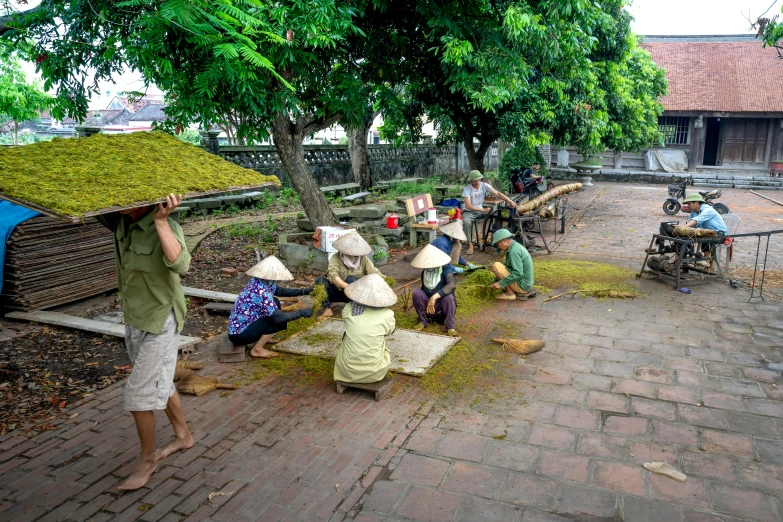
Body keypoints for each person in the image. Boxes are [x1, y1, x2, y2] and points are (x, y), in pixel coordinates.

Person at [97, 194, 194, 491]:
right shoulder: (121, 220)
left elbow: (181, 264)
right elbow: (88, 205)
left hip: (162, 319)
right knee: (159, 383)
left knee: (139, 394)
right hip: (135, 317)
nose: (117, 195)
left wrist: (162, 220)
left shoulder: (164, 224)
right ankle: (183, 436)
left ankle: (147, 460)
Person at [227, 256, 313, 359]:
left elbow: (280, 291)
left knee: (275, 302)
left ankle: (263, 337)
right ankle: (257, 349)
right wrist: (302, 313)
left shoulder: (260, 281)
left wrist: (305, 291)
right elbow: (280, 318)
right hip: (239, 335)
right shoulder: (260, 291)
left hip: (242, 326)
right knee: (277, 320)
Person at [334, 274, 397, 384]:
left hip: (347, 371)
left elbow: (348, 324)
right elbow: (391, 331)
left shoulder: (348, 310)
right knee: (380, 340)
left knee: (347, 335)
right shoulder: (387, 315)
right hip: (375, 372)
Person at [314, 231, 384, 316]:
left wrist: (386, 283)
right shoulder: (335, 258)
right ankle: (327, 309)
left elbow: (375, 274)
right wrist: (348, 287)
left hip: (355, 295)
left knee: (351, 278)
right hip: (338, 292)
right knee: (320, 281)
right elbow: (333, 275)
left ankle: (355, 309)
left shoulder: (363, 259)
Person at [462, 170, 517, 255]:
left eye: (478, 179)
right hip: (469, 212)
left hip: (480, 211)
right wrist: (483, 210)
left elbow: (498, 193)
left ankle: (496, 240)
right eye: (475, 180)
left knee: (497, 216)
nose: (477, 181)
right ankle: (470, 244)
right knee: (466, 222)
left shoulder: (484, 185)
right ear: (471, 180)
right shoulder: (467, 189)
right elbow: (468, 205)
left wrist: (509, 200)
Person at [411, 244, 459, 336]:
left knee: (449, 298)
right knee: (416, 292)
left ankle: (450, 327)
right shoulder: (424, 273)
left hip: (441, 308)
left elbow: (452, 285)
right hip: (429, 309)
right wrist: (413, 302)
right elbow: (423, 290)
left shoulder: (446, 270)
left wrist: (434, 297)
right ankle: (423, 321)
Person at [671, 193, 729, 268]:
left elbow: (696, 221)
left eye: (689, 204)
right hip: (705, 233)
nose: (688, 206)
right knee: (681, 239)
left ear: (697, 202)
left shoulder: (708, 209)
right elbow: (691, 225)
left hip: (719, 235)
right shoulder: (693, 213)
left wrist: (684, 227)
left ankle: (707, 263)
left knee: (708, 239)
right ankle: (677, 262)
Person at [489, 228, 536, 301]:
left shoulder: (513, 252)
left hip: (523, 286)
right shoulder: (515, 246)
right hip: (527, 283)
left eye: (498, 244)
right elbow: (508, 267)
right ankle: (510, 290)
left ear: (504, 241)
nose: (499, 247)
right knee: (500, 266)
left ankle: (510, 294)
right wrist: (495, 282)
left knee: (496, 266)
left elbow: (518, 273)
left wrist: (500, 284)